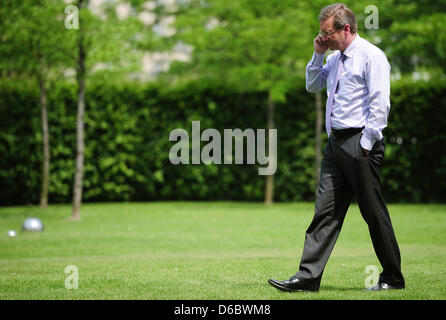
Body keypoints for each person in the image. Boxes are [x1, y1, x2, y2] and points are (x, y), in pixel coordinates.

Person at [268, 3, 405, 292]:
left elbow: (380, 104)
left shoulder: (371, 56)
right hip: (335, 145)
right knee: (325, 213)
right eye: (321, 32)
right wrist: (318, 54)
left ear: (346, 29)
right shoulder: (332, 58)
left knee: (373, 213)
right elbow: (312, 85)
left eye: (327, 33)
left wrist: (366, 143)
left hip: (360, 144)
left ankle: (392, 278)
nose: (324, 37)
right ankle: (307, 278)